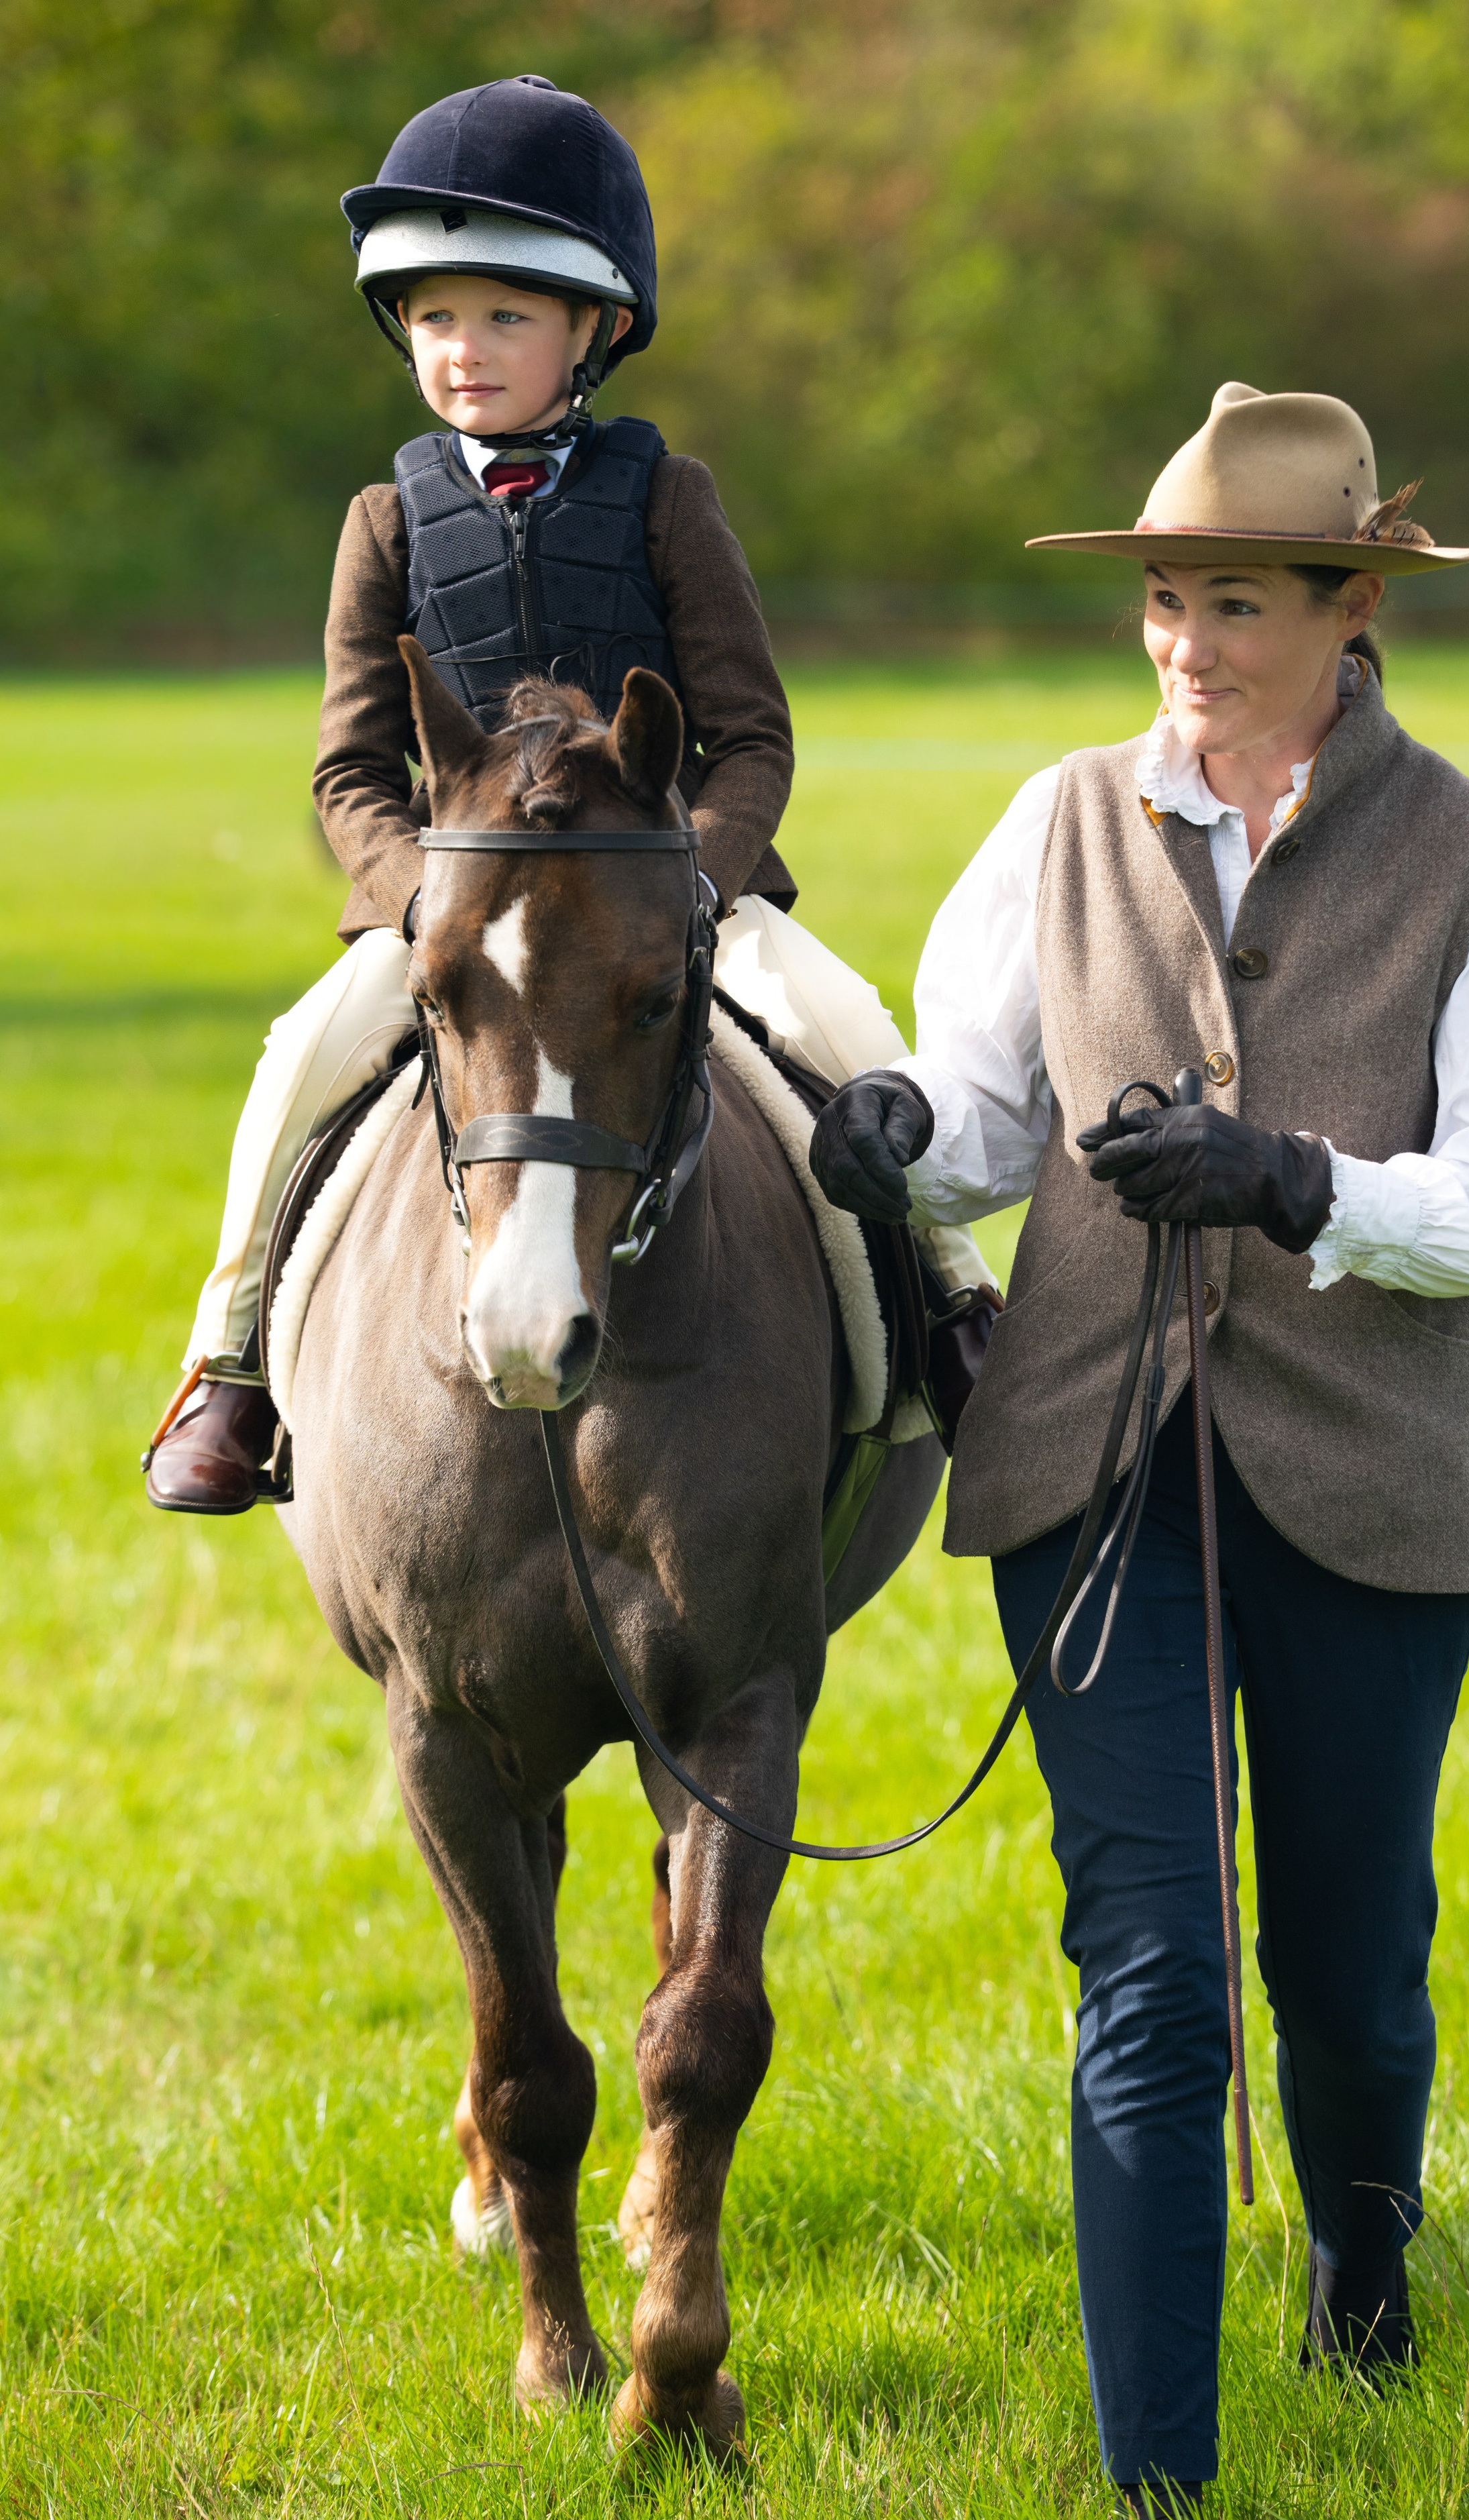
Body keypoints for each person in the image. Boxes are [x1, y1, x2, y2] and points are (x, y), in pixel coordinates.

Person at [808, 383, 1469, 2520]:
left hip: (1371, 1482)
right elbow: (982, 1114)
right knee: (1149, 1958)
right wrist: (903, 1138)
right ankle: (1160, 2491)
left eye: (1234, 600)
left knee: (1346, 1965)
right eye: (1165, 598)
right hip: (1091, 1467)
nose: (1186, 640)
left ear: (1354, 609)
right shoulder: (1060, 817)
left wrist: (1291, 1182)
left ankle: (1367, 2274)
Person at [145, 72, 989, 1512]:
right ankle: (228, 1366)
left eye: (501, 317)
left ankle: (946, 1313)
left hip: (666, 901)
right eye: (432, 319)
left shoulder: (670, 500)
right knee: (298, 1059)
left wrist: (700, 883)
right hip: (461, 916)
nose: (462, 350)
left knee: (844, 1034)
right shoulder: (382, 521)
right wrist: (419, 898)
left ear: (593, 329)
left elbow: (752, 737)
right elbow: (351, 766)